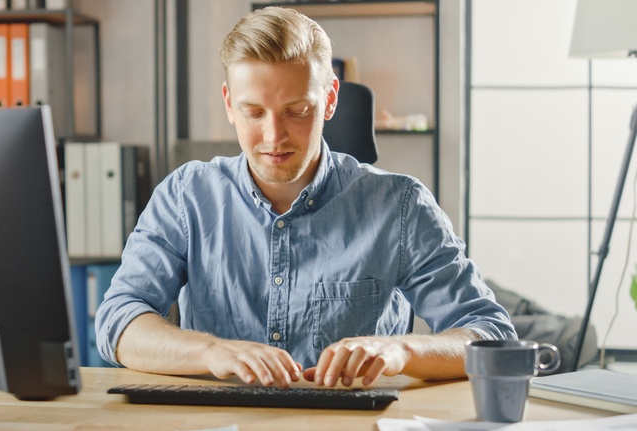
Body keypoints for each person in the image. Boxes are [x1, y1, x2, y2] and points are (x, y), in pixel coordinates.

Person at [93, 6, 516, 389]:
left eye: (297, 110)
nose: (274, 137)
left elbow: (491, 334)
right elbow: (118, 320)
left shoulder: (399, 205)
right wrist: (211, 352)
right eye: (253, 112)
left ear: (330, 99)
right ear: (228, 104)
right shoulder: (186, 196)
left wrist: (400, 351)